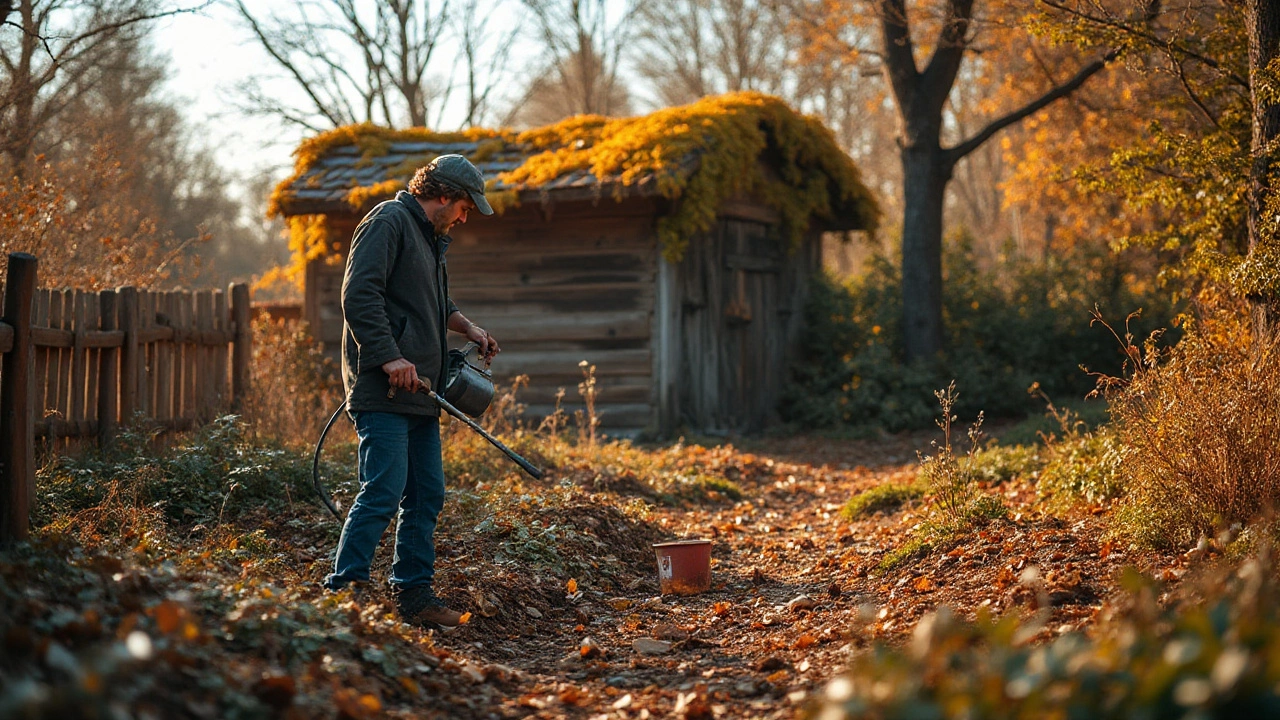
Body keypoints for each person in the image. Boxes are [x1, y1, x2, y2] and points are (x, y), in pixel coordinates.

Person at [323, 154, 499, 629]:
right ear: (443, 195)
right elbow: (359, 295)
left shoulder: (430, 238)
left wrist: (466, 326)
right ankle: (345, 595)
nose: (464, 218)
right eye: (464, 207)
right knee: (382, 489)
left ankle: (414, 597)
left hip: (421, 391)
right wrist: (389, 357)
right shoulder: (389, 221)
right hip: (383, 389)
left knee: (426, 496)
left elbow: (434, 303)